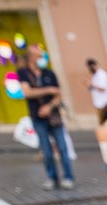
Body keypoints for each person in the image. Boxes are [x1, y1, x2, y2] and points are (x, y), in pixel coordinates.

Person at [17, 45, 74, 191]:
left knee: (63, 148)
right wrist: (48, 90)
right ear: (31, 57)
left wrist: (49, 106)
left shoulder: (49, 73)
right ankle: (52, 178)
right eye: (39, 55)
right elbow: (27, 93)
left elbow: (59, 94)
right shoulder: (24, 73)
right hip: (37, 118)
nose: (42, 58)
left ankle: (68, 177)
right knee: (46, 150)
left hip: (54, 117)